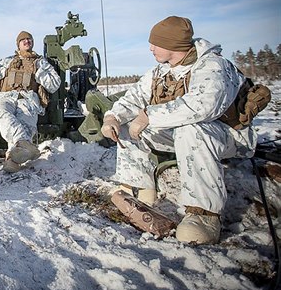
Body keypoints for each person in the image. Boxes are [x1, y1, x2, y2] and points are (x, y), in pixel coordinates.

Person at [101, 16, 257, 245]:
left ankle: (204, 215)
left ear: (174, 45)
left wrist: (149, 116)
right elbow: (134, 97)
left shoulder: (213, 65)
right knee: (127, 125)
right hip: (182, 135)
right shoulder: (161, 71)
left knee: (191, 128)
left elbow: (203, 105)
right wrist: (113, 118)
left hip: (227, 137)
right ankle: (140, 188)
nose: (151, 48)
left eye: (156, 43)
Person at [0, 31, 61, 173]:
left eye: (29, 39)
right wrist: (0, 73)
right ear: (18, 44)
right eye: (23, 40)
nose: (27, 41)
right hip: (6, 96)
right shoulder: (7, 61)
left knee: (25, 124)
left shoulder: (40, 62)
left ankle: (12, 160)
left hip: (28, 99)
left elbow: (55, 84)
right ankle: (23, 144)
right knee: (2, 113)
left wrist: (38, 72)